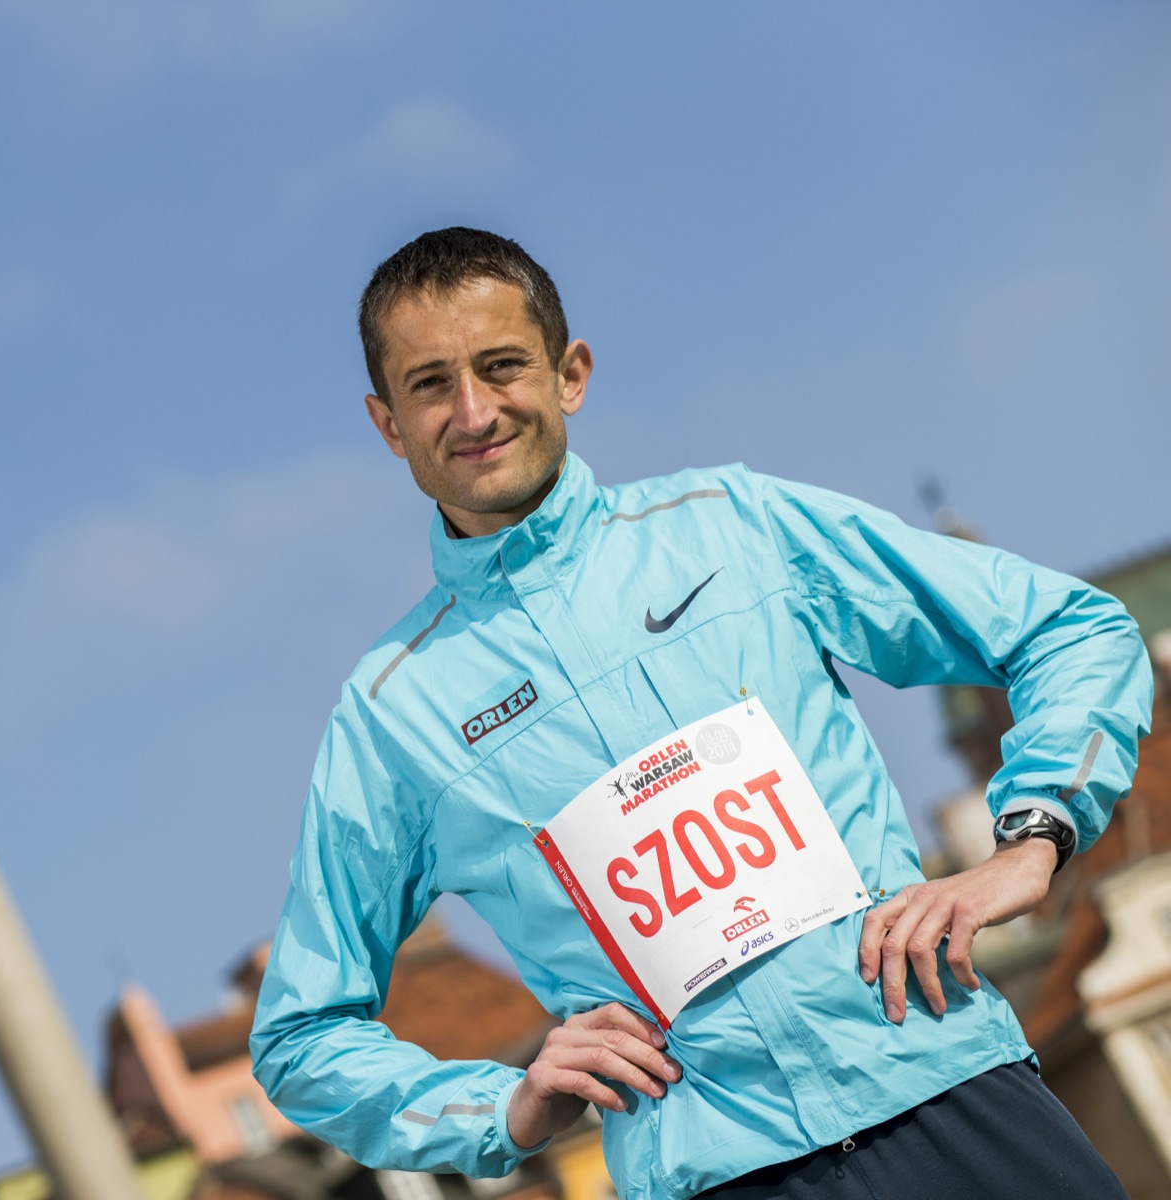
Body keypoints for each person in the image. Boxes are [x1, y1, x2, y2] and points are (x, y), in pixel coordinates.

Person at [248, 227, 1152, 1200]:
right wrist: (500, 1108)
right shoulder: (392, 717)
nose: (472, 410)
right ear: (389, 424)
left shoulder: (734, 524)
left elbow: (1074, 630)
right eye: (430, 384)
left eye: (501, 365)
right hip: (715, 1178)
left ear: (570, 374)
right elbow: (301, 1035)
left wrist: (1033, 840)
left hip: (951, 1090)